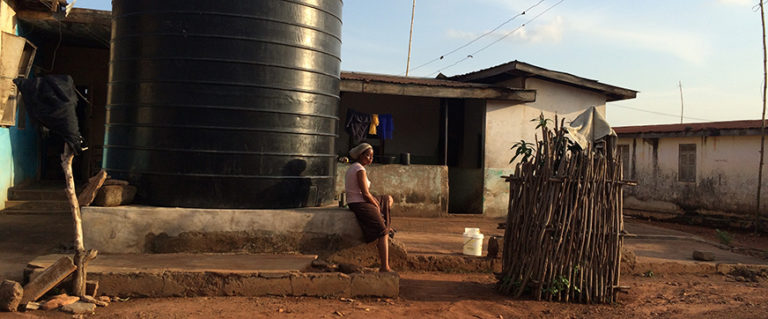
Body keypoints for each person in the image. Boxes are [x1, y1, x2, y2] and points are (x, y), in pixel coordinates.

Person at [345, 143, 394, 272]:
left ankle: (385, 222)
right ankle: (385, 266)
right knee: (382, 232)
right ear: (361, 156)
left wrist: (376, 203)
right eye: (368, 156)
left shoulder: (354, 167)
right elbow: (365, 194)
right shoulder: (359, 170)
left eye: (372, 156)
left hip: (358, 200)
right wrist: (375, 205)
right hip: (359, 202)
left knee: (388, 199)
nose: (370, 159)